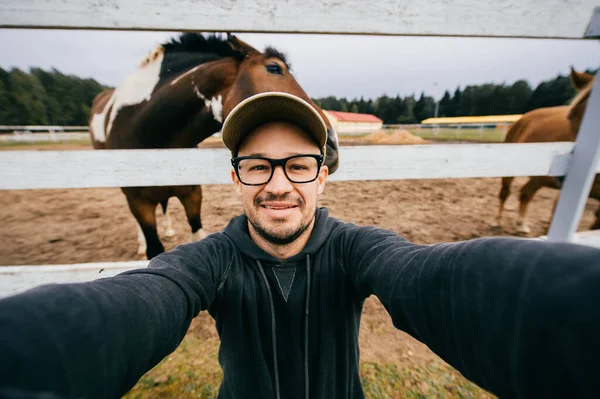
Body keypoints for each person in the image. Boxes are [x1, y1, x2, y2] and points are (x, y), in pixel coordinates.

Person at [1, 91, 600, 399]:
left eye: (299, 165)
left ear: (324, 174)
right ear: (235, 177)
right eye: (258, 166)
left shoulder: (358, 248)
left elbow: (424, 276)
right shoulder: (204, 260)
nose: (279, 184)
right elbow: (143, 300)